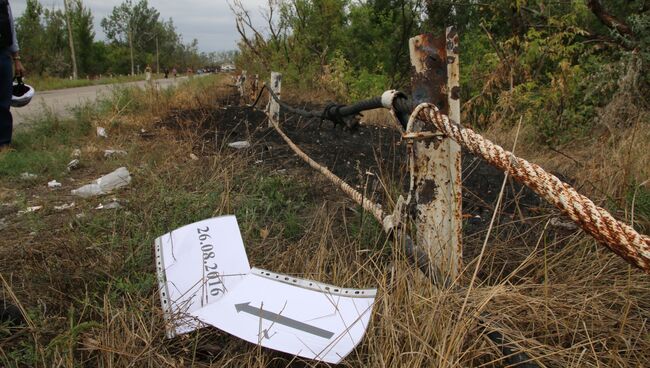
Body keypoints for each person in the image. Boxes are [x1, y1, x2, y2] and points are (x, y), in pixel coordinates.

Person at [0, 0, 24, 151]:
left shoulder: (3, 3)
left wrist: (17, 59)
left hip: (2, 54)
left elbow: (11, 29)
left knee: (3, 102)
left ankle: (4, 145)